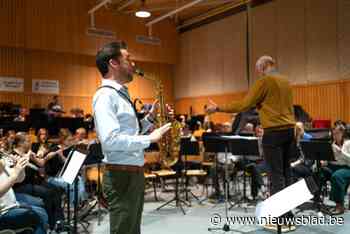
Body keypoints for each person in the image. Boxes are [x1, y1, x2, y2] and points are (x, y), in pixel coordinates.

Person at [206, 55, 296, 231]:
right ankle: (288, 216)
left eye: (258, 71)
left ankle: (280, 219)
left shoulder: (264, 81)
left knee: (275, 175)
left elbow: (244, 104)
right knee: (286, 172)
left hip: (274, 133)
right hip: (289, 131)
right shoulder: (286, 81)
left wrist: (218, 108)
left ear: (262, 67)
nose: (258, 74)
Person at [92, 41, 171, 234]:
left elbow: (129, 134)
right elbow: (110, 141)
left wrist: (150, 118)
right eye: (128, 59)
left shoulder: (121, 94)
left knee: (132, 230)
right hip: (121, 176)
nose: (133, 64)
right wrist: (150, 139)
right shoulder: (105, 96)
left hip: (132, 172)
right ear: (114, 63)